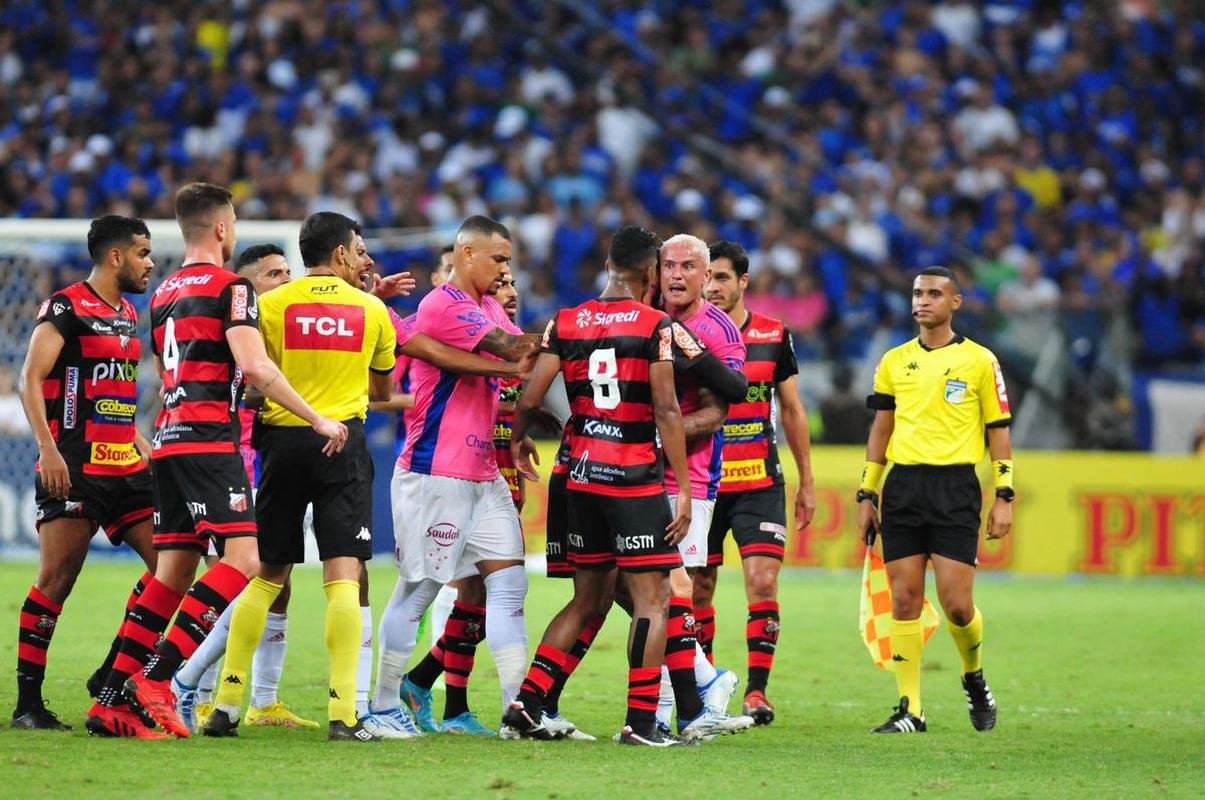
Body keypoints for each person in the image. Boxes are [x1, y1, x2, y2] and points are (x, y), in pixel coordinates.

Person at [86, 183, 348, 739]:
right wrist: (317, 418)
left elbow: (184, 368)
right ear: (222, 228)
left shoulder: (161, 292)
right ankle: (158, 679)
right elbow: (255, 367)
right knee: (246, 560)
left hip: (170, 439)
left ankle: (110, 702)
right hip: (208, 440)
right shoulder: (232, 288)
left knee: (173, 573)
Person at [203, 212, 395, 741]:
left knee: (267, 575)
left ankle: (226, 705)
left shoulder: (268, 305)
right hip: (343, 443)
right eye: (356, 248)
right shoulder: (371, 309)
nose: (361, 258)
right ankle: (343, 714)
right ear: (339, 253)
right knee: (344, 577)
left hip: (282, 443)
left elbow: (250, 379)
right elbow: (382, 392)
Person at [503, 225, 694, 746]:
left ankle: (527, 702)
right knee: (653, 599)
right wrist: (680, 487)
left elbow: (530, 396)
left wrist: (516, 441)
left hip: (580, 474)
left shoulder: (565, 321)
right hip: (632, 476)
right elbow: (666, 408)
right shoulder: (654, 324)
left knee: (587, 598)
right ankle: (642, 723)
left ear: (609, 266)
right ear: (651, 273)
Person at [367, 215, 538, 739]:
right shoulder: (445, 304)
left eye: (509, 261)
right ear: (467, 254)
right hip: (435, 471)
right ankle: (383, 705)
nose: (505, 270)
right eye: (499, 259)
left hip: (484, 474)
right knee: (419, 590)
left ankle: (518, 712)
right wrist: (586, 330)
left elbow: (525, 362)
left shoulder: (489, 306)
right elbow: (517, 352)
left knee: (508, 585)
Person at [13, 215, 157, 731]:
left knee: (171, 568)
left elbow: (110, 389)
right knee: (57, 579)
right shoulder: (66, 306)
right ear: (116, 256)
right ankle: (28, 705)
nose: (149, 263)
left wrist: (137, 437)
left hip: (126, 465)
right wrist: (47, 449)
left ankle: (110, 676)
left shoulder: (126, 314)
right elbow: (30, 379)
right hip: (75, 466)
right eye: (142, 252)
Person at [856, 266, 1013, 734]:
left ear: (955, 303)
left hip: (955, 487)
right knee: (904, 598)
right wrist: (867, 491)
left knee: (957, 605)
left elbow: (998, 431)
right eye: (917, 293)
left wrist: (1004, 494)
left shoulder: (980, 360)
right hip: (903, 487)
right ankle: (911, 708)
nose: (922, 301)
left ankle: (973, 674)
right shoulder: (893, 361)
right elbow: (881, 429)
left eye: (933, 294)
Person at [170, 243, 318, 733]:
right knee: (233, 578)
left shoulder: (275, 326)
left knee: (277, 581)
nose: (285, 280)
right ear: (247, 284)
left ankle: (264, 700)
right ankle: (195, 691)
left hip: (268, 461)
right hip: (232, 461)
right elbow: (248, 381)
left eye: (288, 272)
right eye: (274, 274)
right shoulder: (233, 324)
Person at [399, 266, 524, 738]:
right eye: (500, 281)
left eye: (512, 283)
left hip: (496, 468)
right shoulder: (431, 324)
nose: (508, 290)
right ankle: (429, 696)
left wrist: (521, 428)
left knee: (479, 599)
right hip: (445, 466)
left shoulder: (507, 337)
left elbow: (507, 397)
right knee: (456, 592)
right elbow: (393, 391)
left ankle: (427, 685)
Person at [696, 240, 817, 725]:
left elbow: (792, 410)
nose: (712, 286)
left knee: (763, 581)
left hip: (759, 481)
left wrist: (807, 481)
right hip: (702, 481)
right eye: (706, 277)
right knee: (698, 589)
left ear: (743, 282)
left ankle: (756, 692)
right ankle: (705, 688)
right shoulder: (683, 332)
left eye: (722, 277)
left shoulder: (773, 334)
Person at [653, 233, 752, 737]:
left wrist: (655, 437)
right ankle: (706, 681)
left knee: (672, 591)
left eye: (688, 266)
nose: (676, 274)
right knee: (641, 591)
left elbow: (717, 413)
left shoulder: (718, 330)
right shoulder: (644, 314)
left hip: (688, 476)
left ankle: (663, 710)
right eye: (668, 265)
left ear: (706, 274)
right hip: (633, 473)